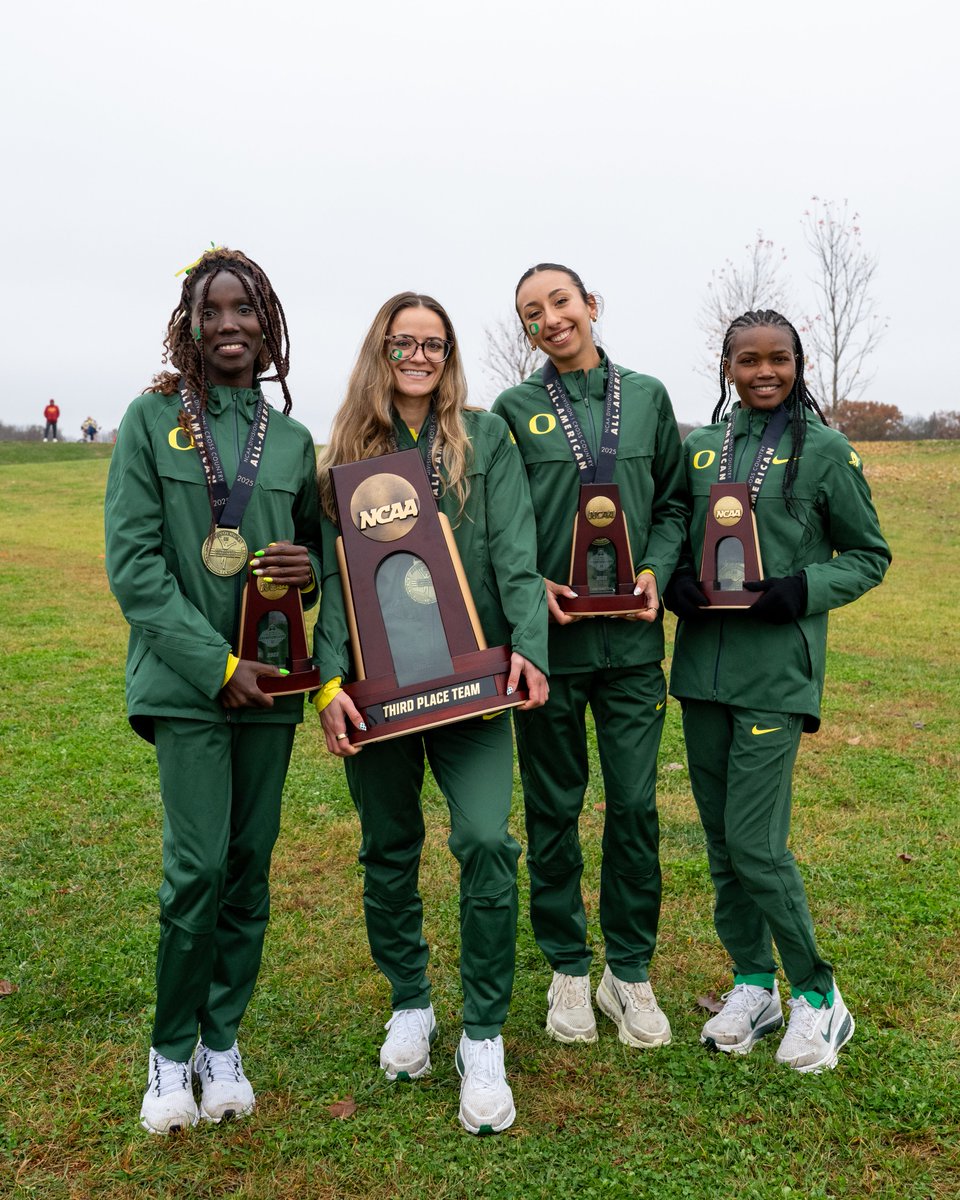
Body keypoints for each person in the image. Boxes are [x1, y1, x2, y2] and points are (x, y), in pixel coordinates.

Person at [314, 292, 549, 1135]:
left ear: (449, 356)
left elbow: (517, 551)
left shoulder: (485, 439)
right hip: (378, 690)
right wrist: (328, 682)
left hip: (470, 687)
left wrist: (531, 646)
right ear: (380, 349)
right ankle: (410, 1001)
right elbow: (333, 579)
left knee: (486, 840)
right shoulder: (343, 454)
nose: (419, 356)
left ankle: (482, 1032)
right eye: (403, 342)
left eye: (434, 344)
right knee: (389, 846)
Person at [104, 247, 322, 1133]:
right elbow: (135, 567)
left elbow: (314, 563)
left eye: (245, 310)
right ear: (189, 324)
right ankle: (169, 1053)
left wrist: (307, 571)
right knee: (195, 870)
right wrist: (217, 667)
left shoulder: (294, 440)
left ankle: (220, 1042)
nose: (229, 324)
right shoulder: (149, 420)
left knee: (248, 867)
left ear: (267, 326)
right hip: (190, 687)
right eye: (212, 310)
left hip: (272, 690)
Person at [664, 309, 890, 1072]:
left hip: (774, 677)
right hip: (702, 673)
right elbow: (675, 532)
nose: (764, 372)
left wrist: (802, 588)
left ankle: (819, 996)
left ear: (799, 364)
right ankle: (754, 985)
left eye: (779, 359)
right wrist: (675, 581)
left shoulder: (826, 451)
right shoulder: (700, 448)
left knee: (757, 846)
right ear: (726, 366)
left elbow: (868, 555)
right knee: (723, 847)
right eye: (748, 360)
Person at [492, 264, 687, 1050]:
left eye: (560, 301)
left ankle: (628, 970)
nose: (550, 319)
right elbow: (498, 523)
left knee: (635, 808)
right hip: (551, 652)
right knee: (554, 809)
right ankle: (569, 967)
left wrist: (656, 571)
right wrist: (528, 582)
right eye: (531, 312)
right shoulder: (514, 411)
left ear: (591, 304)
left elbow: (674, 503)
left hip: (633, 647)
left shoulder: (647, 397)